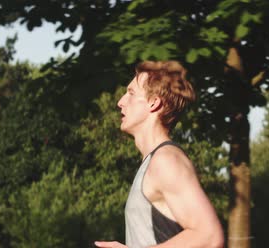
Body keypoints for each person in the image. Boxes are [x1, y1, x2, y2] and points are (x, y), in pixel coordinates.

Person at [95, 61, 224, 248]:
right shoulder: (152, 161)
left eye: (131, 93)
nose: (120, 102)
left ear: (154, 103)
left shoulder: (166, 160)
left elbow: (209, 236)